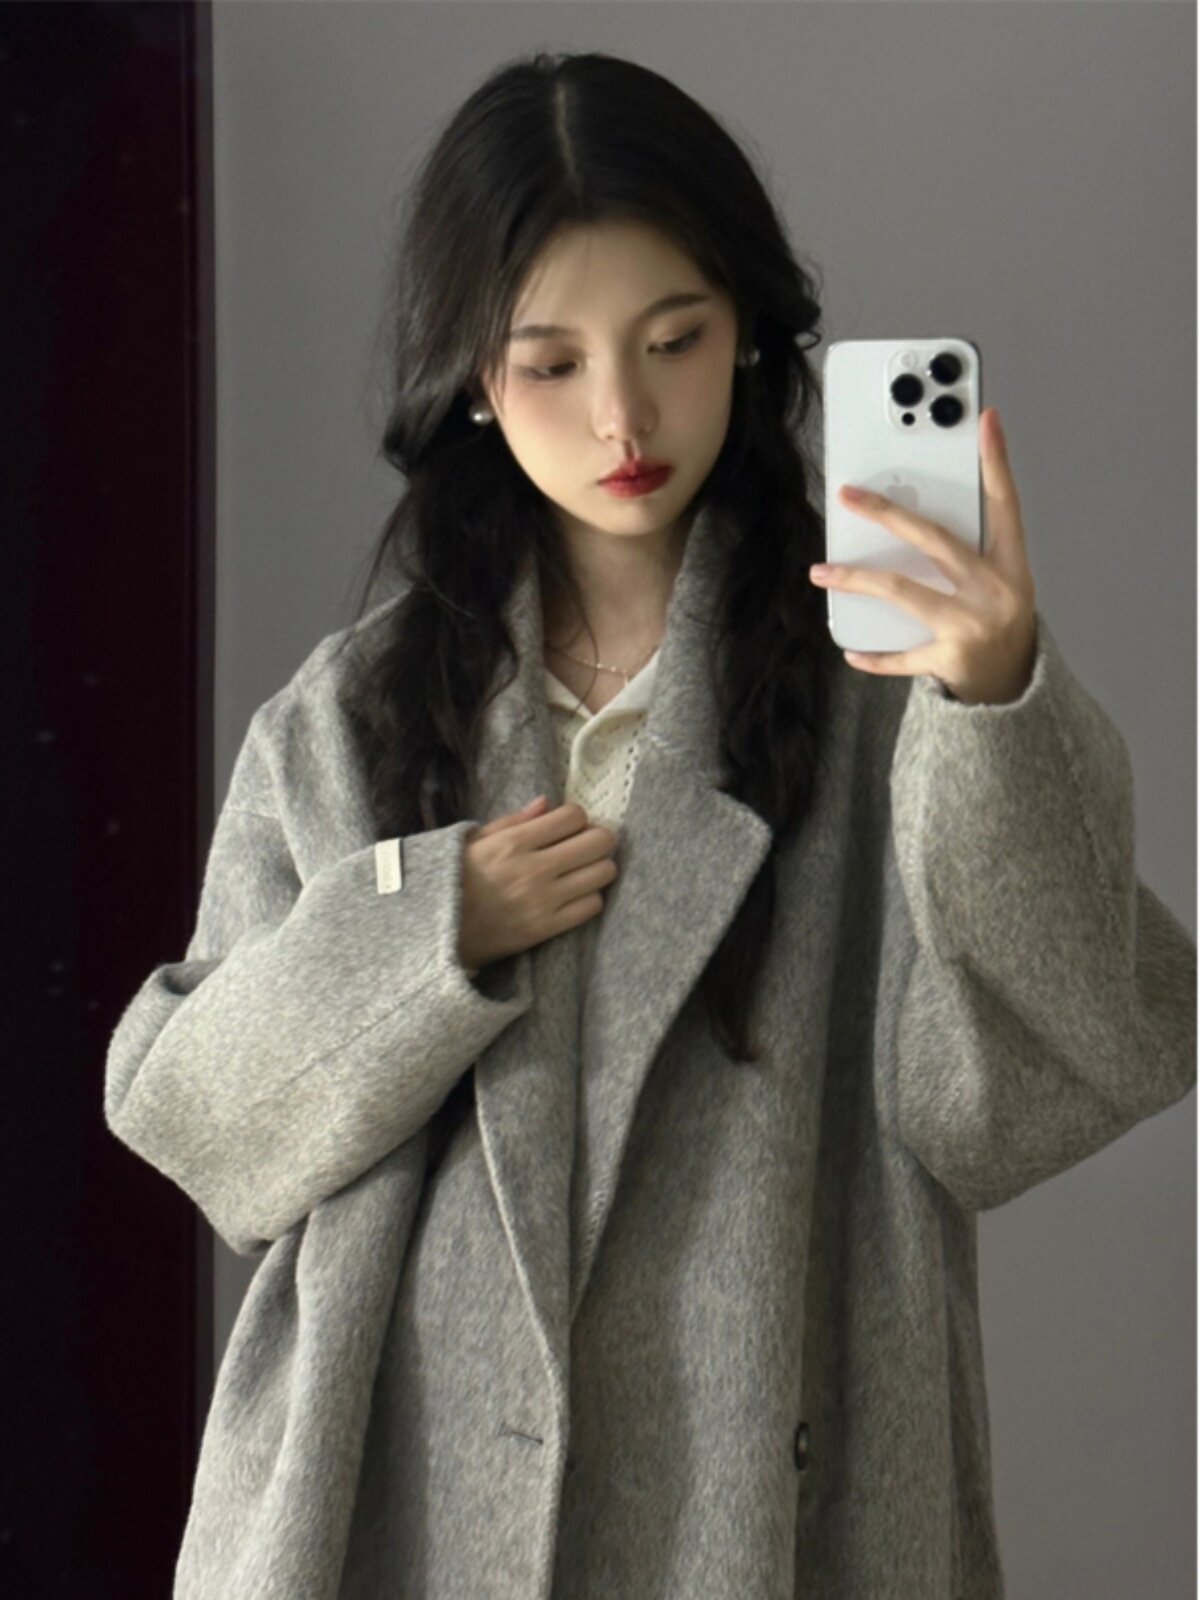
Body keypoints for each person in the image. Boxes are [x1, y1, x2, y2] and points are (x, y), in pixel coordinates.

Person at [104, 49, 1195, 1600]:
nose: (623, 413)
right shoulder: (350, 719)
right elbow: (197, 1124)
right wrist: (423, 935)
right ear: (473, 380)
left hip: (765, 1517)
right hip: (389, 1519)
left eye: (674, 339)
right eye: (551, 363)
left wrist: (999, 698)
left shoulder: (886, 703)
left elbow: (1031, 1089)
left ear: (746, 330)